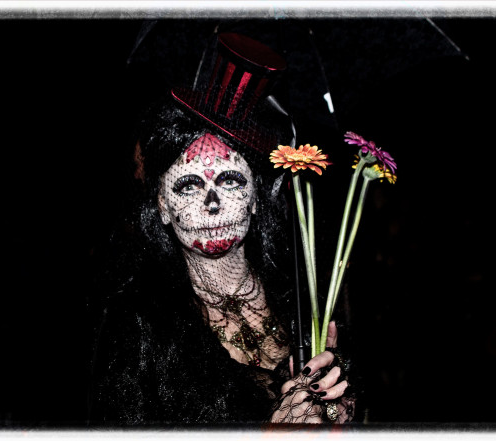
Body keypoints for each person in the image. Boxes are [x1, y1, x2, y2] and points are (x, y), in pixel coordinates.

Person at [90, 32, 358, 426]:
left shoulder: (304, 296)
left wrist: (335, 407)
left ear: (255, 197)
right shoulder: (137, 326)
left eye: (230, 180)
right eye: (188, 184)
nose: (212, 202)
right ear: (161, 205)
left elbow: (342, 414)